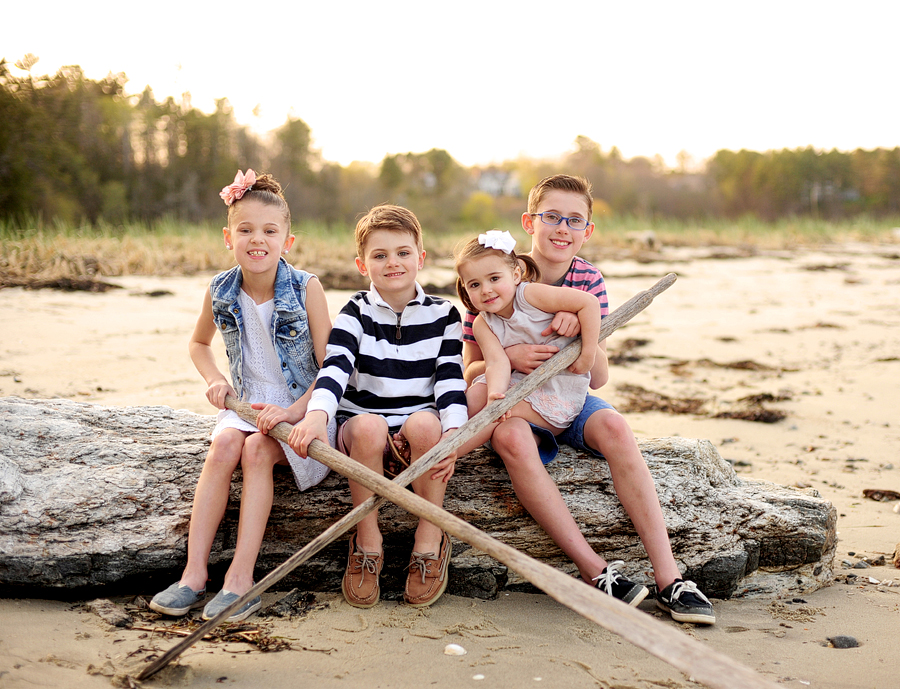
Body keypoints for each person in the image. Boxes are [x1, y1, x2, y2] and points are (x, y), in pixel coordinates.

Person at [459, 174, 715, 625]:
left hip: (570, 397)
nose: (562, 228)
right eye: (551, 217)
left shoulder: (587, 279)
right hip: (517, 404)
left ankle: (669, 577)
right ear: (528, 223)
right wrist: (511, 355)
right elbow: (470, 371)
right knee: (513, 440)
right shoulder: (492, 275)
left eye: (574, 220)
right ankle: (595, 571)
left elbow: (597, 376)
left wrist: (585, 338)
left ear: (588, 231)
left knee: (616, 427)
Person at [149, 169, 333, 622]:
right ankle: (193, 575)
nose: (258, 240)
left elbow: (333, 366)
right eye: (246, 230)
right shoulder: (221, 290)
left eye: (270, 231)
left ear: (288, 241)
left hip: (303, 405)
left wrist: (293, 411)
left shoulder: (307, 287)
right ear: (228, 237)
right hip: (247, 402)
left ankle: (241, 579)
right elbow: (198, 344)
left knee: (253, 449)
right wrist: (216, 380)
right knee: (224, 443)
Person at [289, 204, 467, 610]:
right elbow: (333, 368)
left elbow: (451, 380)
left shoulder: (444, 315)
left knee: (427, 426)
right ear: (361, 264)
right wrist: (317, 416)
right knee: (367, 427)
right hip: (362, 426)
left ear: (420, 258)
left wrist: (455, 431)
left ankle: (430, 535)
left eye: (403, 252)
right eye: (380, 255)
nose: (393, 263)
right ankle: (367, 539)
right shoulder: (355, 312)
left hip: (415, 429)